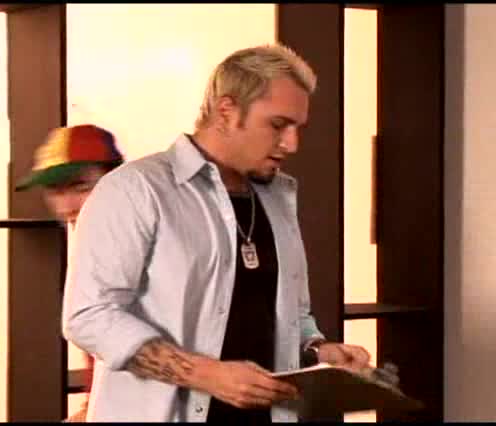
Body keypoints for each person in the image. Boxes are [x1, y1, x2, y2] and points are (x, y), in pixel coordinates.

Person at [61, 44, 372, 423]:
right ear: (227, 112)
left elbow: (290, 314)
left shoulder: (278, 198)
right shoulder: (135, 190)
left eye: (297, 128)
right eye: (278, 125)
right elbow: (88, 316)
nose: (291, 144)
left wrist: (317, 350)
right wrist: (207, 375)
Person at [15, 124, 125, 422]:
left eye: (80, 187)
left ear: (118, 181)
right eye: (55, 190)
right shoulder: (91, 243)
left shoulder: (136, 247)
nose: (66, 205)